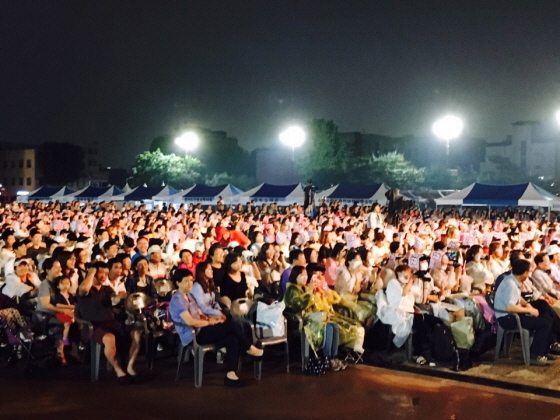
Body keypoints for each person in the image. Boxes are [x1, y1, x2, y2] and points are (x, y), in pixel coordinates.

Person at [168, 268, 263, 387]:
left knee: (233, 339)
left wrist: (212, 319)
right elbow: (190, 321)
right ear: (177, 283)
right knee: (231, 326)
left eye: (191, 280)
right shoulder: (178, 299)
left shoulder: (189, 296)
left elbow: (199, 312)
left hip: (202, 328)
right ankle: (249, 348)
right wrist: (210, 323)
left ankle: (231, 375)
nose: (190, 283)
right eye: (186, 281)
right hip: (194, 334)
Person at [77, 262, 131, 383]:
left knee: (134, 332)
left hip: (110, 322)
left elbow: (113, 299)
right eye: (101, 273)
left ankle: (129, 366)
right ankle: (118, 370)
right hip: (92, 325)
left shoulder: (106, 289)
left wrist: (120, 297)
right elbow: (84, 289)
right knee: (109, 338)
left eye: (106, 273)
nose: (104, 276)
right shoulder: (85, 289)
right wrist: (90, 273)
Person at [494, 258, 554, 366]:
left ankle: (543, 351)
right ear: (525, 272)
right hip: (508, 318)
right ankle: (535, 355)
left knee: (546, 319)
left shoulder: (512, 280)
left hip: (512, 315)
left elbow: (517, 298)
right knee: (544, 324)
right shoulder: (511, 285)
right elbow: (510, 307)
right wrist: (529, 310)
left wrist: (527, 304)